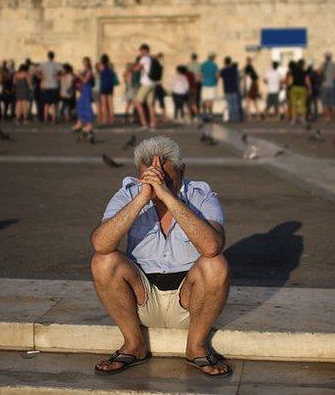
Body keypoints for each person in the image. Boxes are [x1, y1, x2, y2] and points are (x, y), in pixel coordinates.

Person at [91, 136, 231, 378]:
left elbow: (212, 246)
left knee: (216, 263)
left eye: (165, 178)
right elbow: (100, 243)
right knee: (103, 261)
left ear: (182, 169)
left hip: (191, 302)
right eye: (151, 178)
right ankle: (134, 344)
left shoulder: (201, 195)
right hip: (141, 298)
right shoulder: (129, 194)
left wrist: (168, 196)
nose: (159, 183)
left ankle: (196, 345)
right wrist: (142, 198)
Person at [132, 44, 157, 130]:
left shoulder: (144, 58)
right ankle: (153, 124)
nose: (140, 53)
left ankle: (144, 123)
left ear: (145, 50)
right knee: (150, 105)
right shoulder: (152, 58)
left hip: (146, 83)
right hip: (153, 83)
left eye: (141, 51)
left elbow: (137, 69)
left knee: (138, 102)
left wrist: (133, 67)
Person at [38, 51, 62, 124]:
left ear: (48, 56)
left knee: (46, 104)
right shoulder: (56, 64)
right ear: (53, 56)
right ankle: (53, 119)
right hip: (54, 85)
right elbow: (63, 71)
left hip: (45, 85)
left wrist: (41, 77)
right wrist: (58, 77)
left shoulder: (43, 64)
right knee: (53, 104)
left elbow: (37, 71)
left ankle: (45, 119)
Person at [73, 57, 95, 135]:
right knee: (79, 104)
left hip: (87, 89)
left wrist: (79, 75)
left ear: (88, 63)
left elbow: (85, 81)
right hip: (83, 90)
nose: (84, 63)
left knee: (86, 106)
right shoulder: (84, 71)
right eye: (83, 62)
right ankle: (80, 122)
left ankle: (90, 124)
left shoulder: (89, 71)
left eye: (86, 62)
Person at [317, 52, 335, 122]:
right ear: (331, 57)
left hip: (324, 86)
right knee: (333, 103)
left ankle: (327, 118)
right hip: (332, 86)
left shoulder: (323, 65)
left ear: (325, 57)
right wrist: (334, 80)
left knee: (325, 103)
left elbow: (319, 73)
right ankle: (334, 118)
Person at [286, 60, 310, 125]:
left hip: (294, 88)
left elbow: (290, 80)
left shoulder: (293, 72)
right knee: (302, 104)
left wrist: (288, 86)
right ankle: (303, 119)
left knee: (294, 104)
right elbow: (307, 80)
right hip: (302, 88)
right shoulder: (304, 72)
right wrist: (309, 88)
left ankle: (293, 119)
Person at [219, 57, 242, 123]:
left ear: (225, 62)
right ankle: (236, 118)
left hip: (227, 89)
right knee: (235, 104)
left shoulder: (223, 70)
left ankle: (232, 118)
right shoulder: (234, 69)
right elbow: (239, 76)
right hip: (234, 89)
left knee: (230, 105)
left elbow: (218, 76)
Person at [97, 54, 117, 125]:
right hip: (110, 86)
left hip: (103, 86)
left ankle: (105, 119)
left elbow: (99, 75)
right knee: (111, 104)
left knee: (104, 104)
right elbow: (113, 74)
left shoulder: (101, 66)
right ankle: (112, 119)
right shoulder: (111, 66)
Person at [199, 54, 218, 118]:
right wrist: (216, 81)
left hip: (204, 84)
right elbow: (216, 75)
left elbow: (201, 75)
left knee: (204, 99)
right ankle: (210, 114)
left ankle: (204, 113)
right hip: (212, 84)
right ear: (213, 58)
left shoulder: (203, 65)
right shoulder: (214, 65)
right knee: (210, 100)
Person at [242, 57, 260, 122]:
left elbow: (245, 80)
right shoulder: (253, 69)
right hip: (254, 87)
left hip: (249, 87)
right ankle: (258, 115)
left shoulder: (247, 70)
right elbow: (256, 79)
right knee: (254, 102)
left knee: (248, 102)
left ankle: (249, 117)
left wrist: (244, 88)